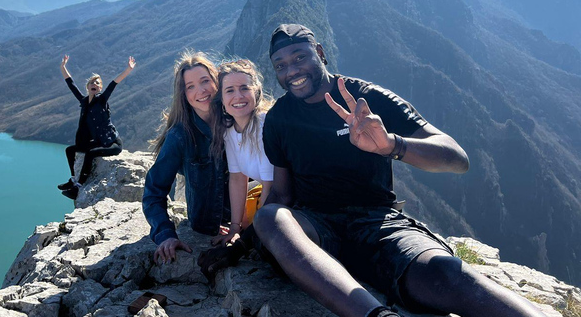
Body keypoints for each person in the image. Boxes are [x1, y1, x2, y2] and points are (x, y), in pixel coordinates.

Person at [202, 24, 545, 317]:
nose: (291, 71)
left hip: (379, 224)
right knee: (271, 217)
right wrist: (239, 244)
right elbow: (282, 195)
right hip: (315, 232)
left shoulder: (368, 99)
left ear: (319, 52)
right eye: (281, 65)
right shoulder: (279, 119)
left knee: (446, 274)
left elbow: (457, 158)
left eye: (299, 58)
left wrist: (393, 145)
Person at [142, 51, 230, 264]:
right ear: (183, 95)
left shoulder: (236, 119)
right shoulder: (180, 136)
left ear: (216, 81)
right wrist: (166, 234)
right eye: (190, 86)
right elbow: (154, 191)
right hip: (209, 233)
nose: (200, 91)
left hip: (249, 224)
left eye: (205, 81)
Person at [208, 59, 274, 247]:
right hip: (268, 197)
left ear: (256, 91)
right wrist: (235, 228)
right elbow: (237, 178)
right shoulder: (229, 130)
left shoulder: (264, 125)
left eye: (244, 88)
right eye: (229, 90)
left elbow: (271, 184)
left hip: (290, 199)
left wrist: (254, 236)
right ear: (221, 98)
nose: (238, 96)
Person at [57, 54, 135, 198]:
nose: (94, 84)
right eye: (92, 83)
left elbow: (114, 83)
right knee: (70, 150)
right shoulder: (84, 101)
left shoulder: (102, 100)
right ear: (88, 87)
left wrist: (128, 69)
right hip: (100, 141)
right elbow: (71, 84)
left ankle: (78, 187)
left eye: (97, 83)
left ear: (100, 88)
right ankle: (73, 179)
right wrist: (63, 67)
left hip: (112, 143)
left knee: (90, 153)